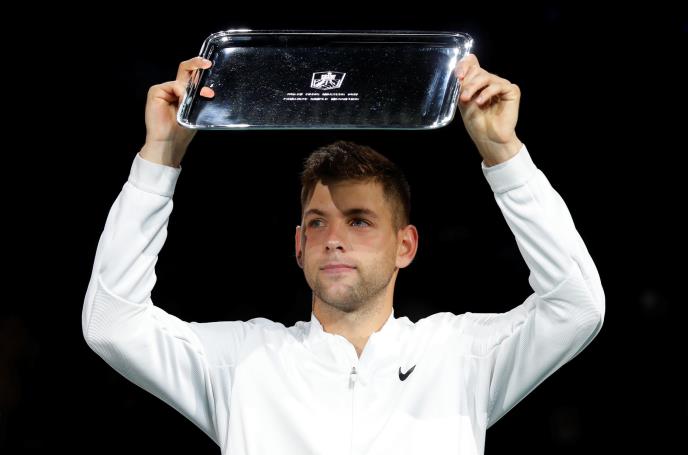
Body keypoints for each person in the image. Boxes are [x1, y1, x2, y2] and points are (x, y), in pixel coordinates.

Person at [82, 53, 605, 454]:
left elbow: (576, 306)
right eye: (317, 223)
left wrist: (504, 154)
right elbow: (113, 323)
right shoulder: (242, 362)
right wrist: (160, 155)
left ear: (406, 245)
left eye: (359, 221)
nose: (333, 238)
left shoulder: (461, 356)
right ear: (298, 245)